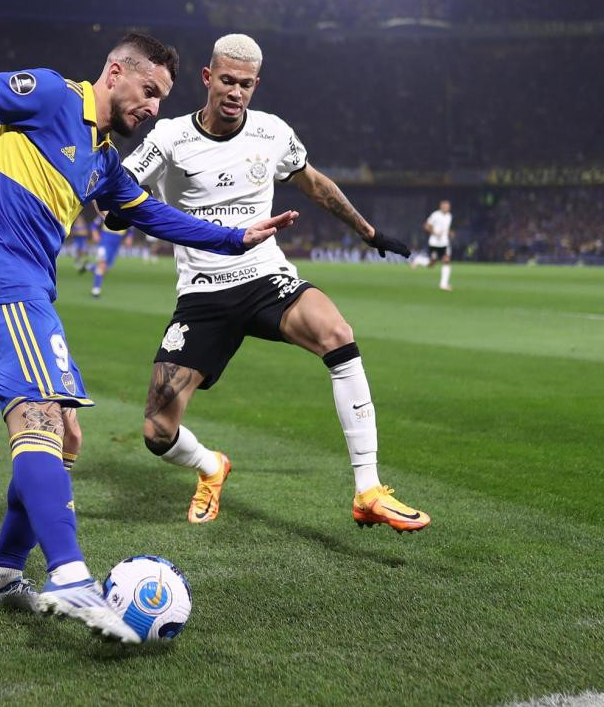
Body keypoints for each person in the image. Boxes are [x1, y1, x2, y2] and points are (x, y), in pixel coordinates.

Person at [0, 32, 296, 643]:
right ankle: (68, 576)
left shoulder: (102, 159)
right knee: (39, 421)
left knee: (64, 436)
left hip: (29, 293)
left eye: (163, 99)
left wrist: (234, 237)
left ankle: (4, 577)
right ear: (115, 72)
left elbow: (151, 215)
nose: (153, 108)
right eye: (149, 91)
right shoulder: (48, 94)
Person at [120, 33, 430, 532]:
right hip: (202, 294)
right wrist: (120, 210)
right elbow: (121, 187)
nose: (235, 92)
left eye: (245, 84)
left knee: (337, 332)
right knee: (157, 431)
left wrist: (369, 232)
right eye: (226, 80)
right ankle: (210, 466)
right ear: (207, 78)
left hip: (265, 277)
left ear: (256, 85)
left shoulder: (272, 133)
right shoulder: (170, 139)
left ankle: (368, 489)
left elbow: (315, 184)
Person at [88, 212, 126, 298]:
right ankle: (96, 290)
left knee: (107, 268)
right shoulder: (106, 211)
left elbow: (130, 226)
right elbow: (94, 224)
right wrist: (95, 233)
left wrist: (129, 237)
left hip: (116, 243)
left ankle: (90, 267)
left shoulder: (126, 211)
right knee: (102, 264)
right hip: (105, 240)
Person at [424, 200, 455, 291]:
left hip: (444, 243)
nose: (447, 208)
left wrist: (450, 233)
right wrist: (435, 232)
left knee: (446, 260)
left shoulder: (449, 216)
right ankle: (419, 260)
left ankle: (443, 284)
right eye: (445, 206)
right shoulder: (435, 215)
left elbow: (446, 229)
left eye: (448, 206)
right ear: (441, 207)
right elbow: (426, 226)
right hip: (434, 243)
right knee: (432, 263)